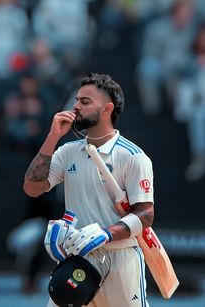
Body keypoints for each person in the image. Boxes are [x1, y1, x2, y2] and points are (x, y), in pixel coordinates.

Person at [23, 72, 154, 307]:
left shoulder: (133, 156)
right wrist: (53, 137)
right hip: (77, 260)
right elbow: (32, 188)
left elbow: (145, 214)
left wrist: (106, 233)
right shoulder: (67, 151)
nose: (75, 106)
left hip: (120, 260)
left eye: (84, 101)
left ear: (107, 108)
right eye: (76, 100)